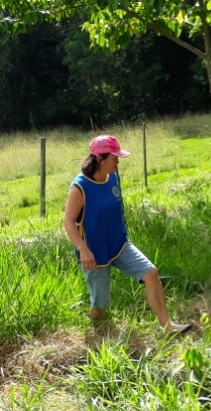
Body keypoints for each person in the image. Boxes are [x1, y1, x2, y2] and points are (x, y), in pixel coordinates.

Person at [63, 134, 191, 333]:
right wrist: (83, 249)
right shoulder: (80, 187)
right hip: (94, 253)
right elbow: (68, 221)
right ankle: (97, 327)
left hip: (120, 244)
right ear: (100, 158)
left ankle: (167, 326)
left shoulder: (113, 178)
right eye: (114, 158)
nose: (118, 162)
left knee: (151, 273)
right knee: (100, 306)